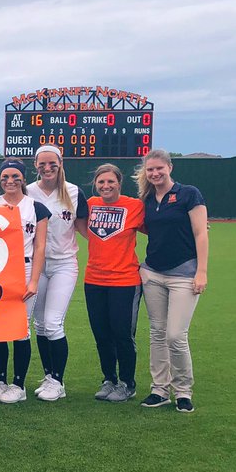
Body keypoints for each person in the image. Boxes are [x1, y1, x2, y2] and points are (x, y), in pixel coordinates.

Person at [136, 149, 208, 413]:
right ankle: (159, 389)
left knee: (176, 335)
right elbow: (145, 227)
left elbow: (201, 233)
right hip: (153, 273)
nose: (155, 173)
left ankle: (183, 391)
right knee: (157, 333)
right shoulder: (146, 198)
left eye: (159, 168)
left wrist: (202, 272)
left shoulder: (189, 194)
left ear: (170, 167)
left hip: (184, 275)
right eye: (150, 169)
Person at [0, 160, 49, 404]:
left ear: (23, 178)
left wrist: (34, 281)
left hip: (25, 267)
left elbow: (40, 246)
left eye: (16, 176)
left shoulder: (37, 208)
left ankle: (18, 384)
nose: (10, 181)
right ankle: (1, 380)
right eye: (5, 176)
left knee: (21, 329)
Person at [26, 146, 89, 401]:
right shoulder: (27, 191)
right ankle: (49, 375)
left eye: (52, 163)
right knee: (39, 324)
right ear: (35, 164)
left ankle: (58, 382)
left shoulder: (74, 192)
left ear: (61, 163)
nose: (47, 167)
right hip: (35, 264)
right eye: (42, 164)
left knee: (53, 323)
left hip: (64, 263)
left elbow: (86, 229)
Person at [82, 164, 145, 403]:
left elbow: (160, 226)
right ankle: (109, 379)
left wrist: (193, 226)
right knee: (101, 333)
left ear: (119, 183)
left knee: (122, 334)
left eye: (111, 182)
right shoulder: (90, 205)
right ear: (96, 185)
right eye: (101, 182)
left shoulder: (135, 206)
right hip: (94, 279)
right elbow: (76, 223)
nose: (106, 186)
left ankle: (127, 384)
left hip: (125, 281)